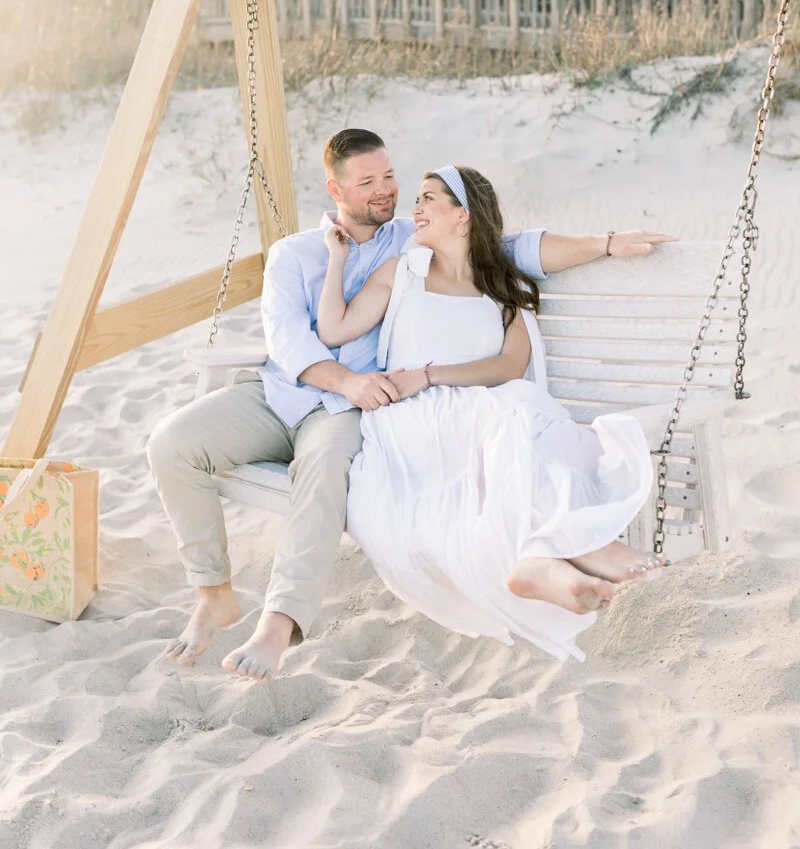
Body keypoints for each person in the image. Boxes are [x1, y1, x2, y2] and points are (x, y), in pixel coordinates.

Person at [147, 129, 676, 681]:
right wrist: (346, 376)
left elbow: (509, 247)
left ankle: (278, 625)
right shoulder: (295, 253)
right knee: (171, 443)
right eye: (368, 182)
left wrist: (606, 243)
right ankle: (213, 592)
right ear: (335, 189)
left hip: (354, 409)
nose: (386, 192)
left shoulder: (413, 241)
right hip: (286, 391)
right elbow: (289, 341)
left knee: (325, 471)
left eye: (390, 177)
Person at [316, 165, 664, 662]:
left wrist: (432, 372)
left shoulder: (500, 284)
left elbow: (510, 364)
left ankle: (544, 566)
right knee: (514, 426)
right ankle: (591, 553)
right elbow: (333, 329)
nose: (415, 208)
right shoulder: (403, 273)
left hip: (481, 402)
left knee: (523, 422)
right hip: (416, 418)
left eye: (428, 198)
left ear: (462, 216)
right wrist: (336, 257)